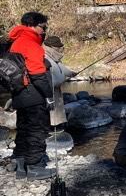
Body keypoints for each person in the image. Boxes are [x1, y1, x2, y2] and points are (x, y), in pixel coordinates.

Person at [9, 12, 55, 180]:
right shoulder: (31, 44)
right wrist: (49, 96)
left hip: (19, 94)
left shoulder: (15, 42)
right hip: (33, 95)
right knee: (37, 130)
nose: (44, 31)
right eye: (43, 27)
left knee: (23, 130)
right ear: (32, 26)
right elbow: (37, 74)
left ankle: (21, 166)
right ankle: (35, 167)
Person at [43, 36, 76, 128]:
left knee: (58, 112)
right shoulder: (44, 57)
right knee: (52, 112)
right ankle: (52, 130)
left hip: (57, 90)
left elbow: (63, 69)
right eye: (57, 46)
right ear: (50, 47)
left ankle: (58, 127)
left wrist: (71, 73)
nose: (59, 48)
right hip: (49, 92)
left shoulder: (55, 58)